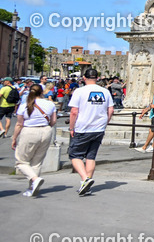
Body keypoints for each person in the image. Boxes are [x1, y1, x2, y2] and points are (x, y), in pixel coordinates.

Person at [67, 68, 114, 196]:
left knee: (75, 155)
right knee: (90, 156)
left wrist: (72, 127)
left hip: (83, 127)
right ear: (97, 78)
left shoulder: (80, 91)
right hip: (99, 128)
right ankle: (85, 186)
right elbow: (110, 110)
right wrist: (106, 122)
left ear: (84, 78)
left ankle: (85, 179)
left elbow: (74, 112)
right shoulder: (105, 91)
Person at [10, 83, 57, 197]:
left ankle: (35, 179)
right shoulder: (50, 104)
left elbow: (19, 124)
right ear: (42, 92)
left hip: (29, 131)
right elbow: (53, 121)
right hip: (46, 131)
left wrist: (14, 138)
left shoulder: (24, 104)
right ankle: (32, 187)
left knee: (21, 161)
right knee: (37, 162)